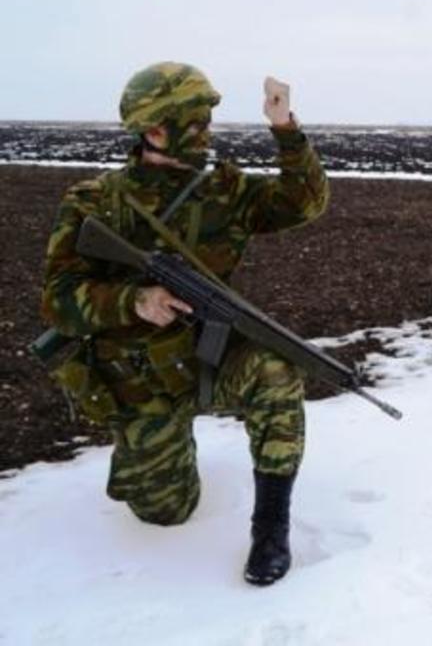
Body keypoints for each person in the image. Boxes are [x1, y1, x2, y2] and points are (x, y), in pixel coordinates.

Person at [40, 62, 329, 586]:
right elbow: (57, 301)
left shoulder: (225, 190)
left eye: (206, 120)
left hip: (209, 359)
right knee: (166, 513)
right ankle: (162, 449)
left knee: (278, 371)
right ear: (154, 131)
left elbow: (305, 203)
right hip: (140, 378)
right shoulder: (94, 202)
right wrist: (134, 300)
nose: (207, 132)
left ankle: (270, 528)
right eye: (194, 123)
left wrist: (286, 128)